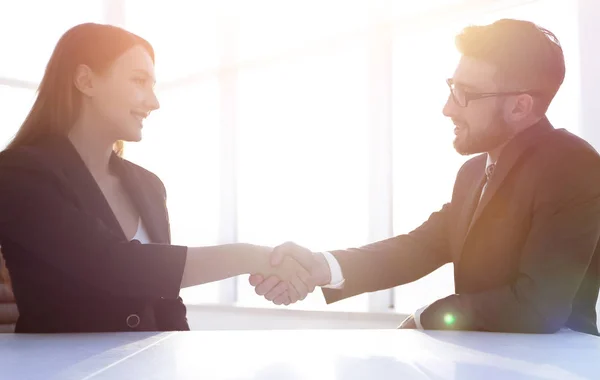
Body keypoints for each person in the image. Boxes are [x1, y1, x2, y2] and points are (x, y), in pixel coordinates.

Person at [250, 19, 600, 335]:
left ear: (520, 107)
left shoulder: (573, 164)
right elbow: (420, 247)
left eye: (466, 94)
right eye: (452, 88)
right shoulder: (474, 172)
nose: (448, 108)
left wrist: (427, 316)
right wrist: (320, 266)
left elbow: (538, 307)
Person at [0, 23, 308, 333]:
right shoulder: (19, 173)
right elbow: (114, 265)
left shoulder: (148, 185)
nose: (153, 101)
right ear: (85, 80)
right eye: (139, 81)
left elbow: (167, 303)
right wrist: (250, 257)